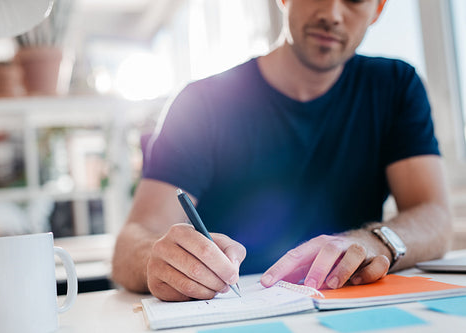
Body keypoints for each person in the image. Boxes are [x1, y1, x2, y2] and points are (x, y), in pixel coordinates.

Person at [112, 0, 452, 302]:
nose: (332, 14)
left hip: (343, 307)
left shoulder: (395, 85)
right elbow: (132, 241)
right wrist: (156, 260)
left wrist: (377, 241)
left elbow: (434, 217)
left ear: (377, 9)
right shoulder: (201, 103)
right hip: (228, 309)